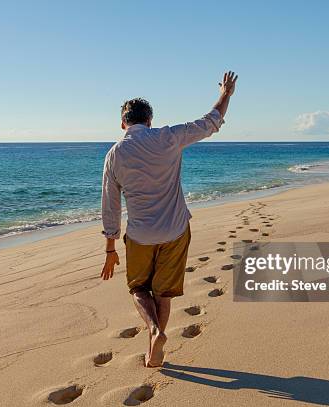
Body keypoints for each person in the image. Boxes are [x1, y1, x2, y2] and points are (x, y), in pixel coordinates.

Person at [100, 71, 238, 367]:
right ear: (149, 120)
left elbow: (110, 205)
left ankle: (153, 331)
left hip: (140, 236)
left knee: (138, 288)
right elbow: (211, 122)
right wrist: (225, 94)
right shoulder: (169, 137)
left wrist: (110, 249)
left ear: (123, 123)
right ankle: (155, 348)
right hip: (175, 231)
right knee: (163, 293)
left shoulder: (114, 154)